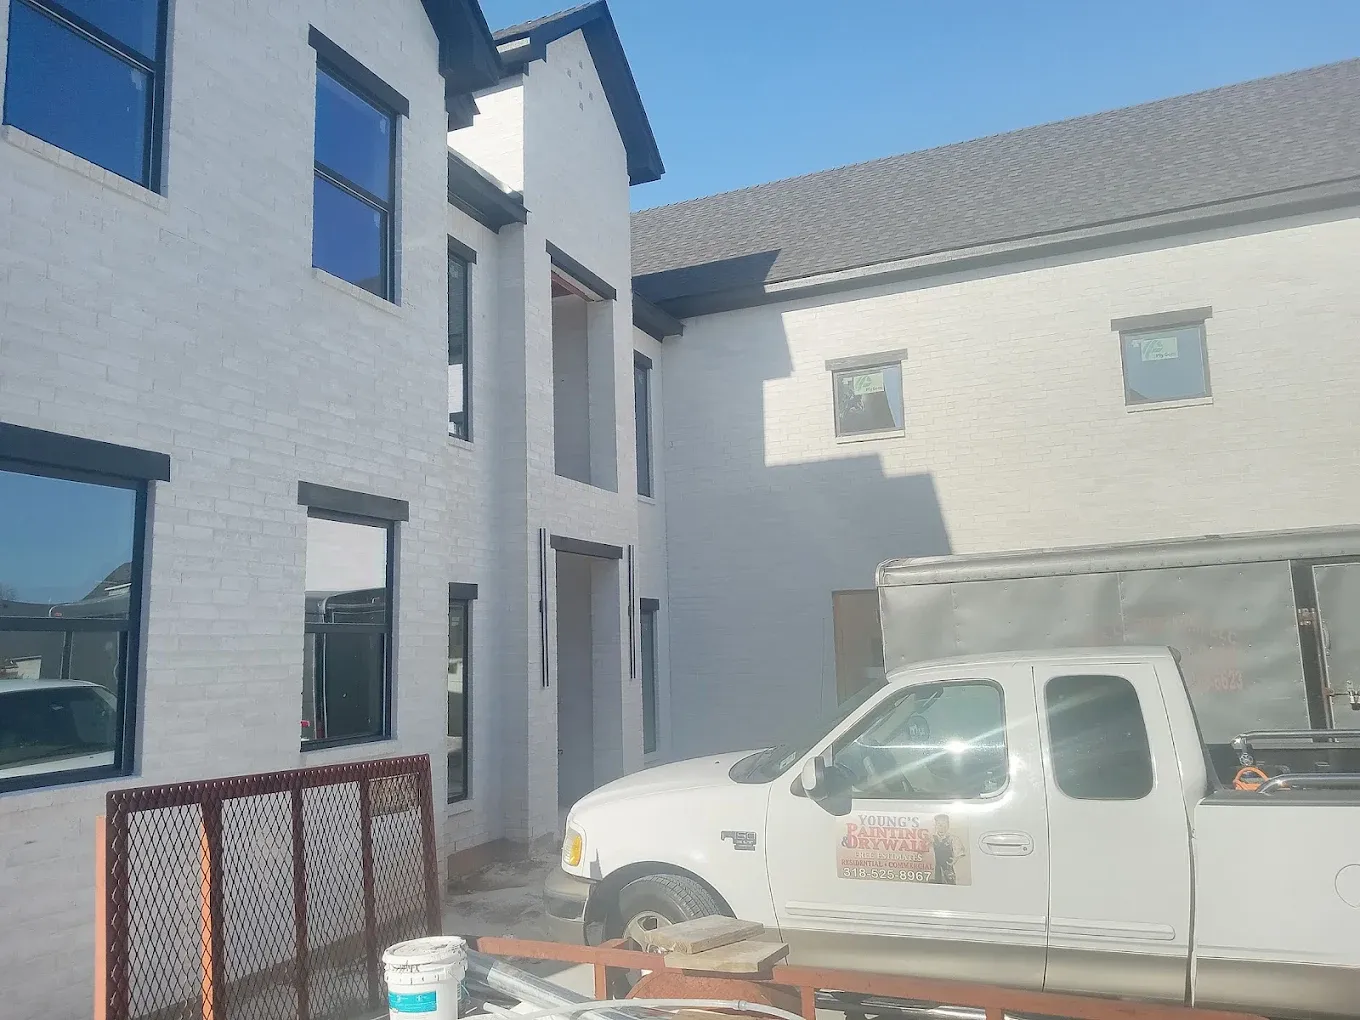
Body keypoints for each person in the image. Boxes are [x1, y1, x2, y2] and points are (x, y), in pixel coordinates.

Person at [929, 814, 964, 885]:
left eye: (945, 825)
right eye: (940, 825)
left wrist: (954, 860)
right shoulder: (931, 838)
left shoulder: (953, 839)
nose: (942, 828)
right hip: (935, 870)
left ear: (948, 825)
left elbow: (959, 853)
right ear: (935, 825)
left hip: (948, 870)